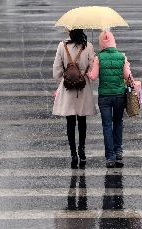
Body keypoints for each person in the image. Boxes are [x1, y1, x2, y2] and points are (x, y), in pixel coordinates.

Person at [88, 30, 133, 168]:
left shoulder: (98, 58)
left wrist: (89, 70)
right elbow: (128, 76)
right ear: (114, 41)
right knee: (118, 123)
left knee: (107, 125)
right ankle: (118, 151)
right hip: (119, 95)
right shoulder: (121, 56)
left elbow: (93, 77)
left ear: (101, 43)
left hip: (105, 97)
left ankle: (110, 157)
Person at [52, 29, 96, 169]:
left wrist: (66, 77)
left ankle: (73, 154)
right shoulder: (88, 46)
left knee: (70, 122)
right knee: (82, 120)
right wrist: (83, 74)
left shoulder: (62, 46)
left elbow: (56, 71)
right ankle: (82, 150)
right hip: (83, 89)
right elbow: (93, 70)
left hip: (67, 89)